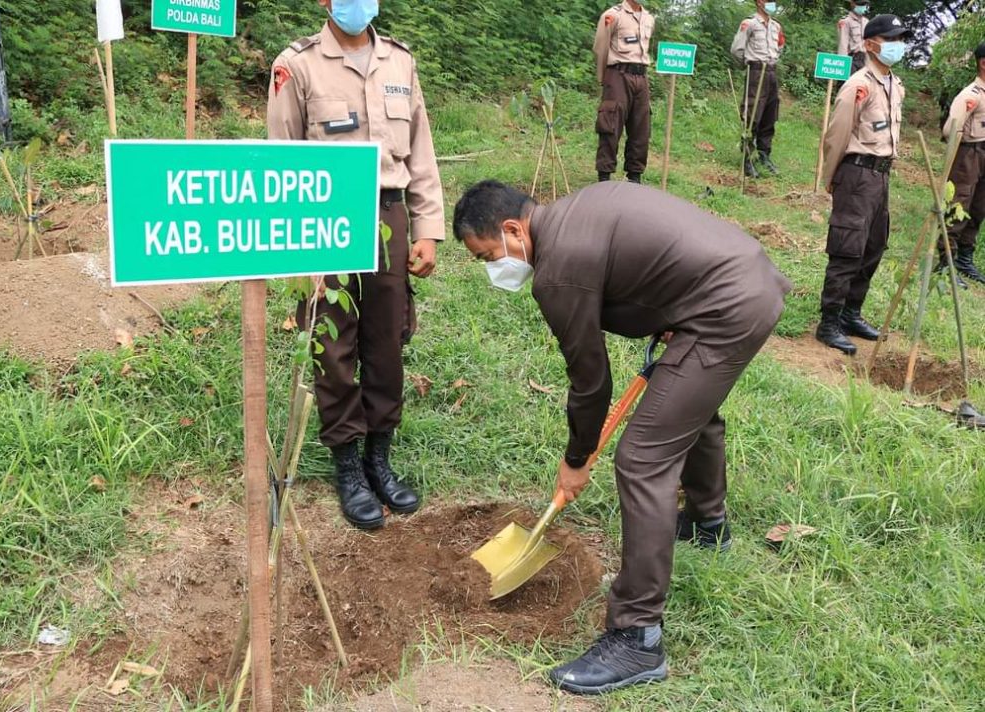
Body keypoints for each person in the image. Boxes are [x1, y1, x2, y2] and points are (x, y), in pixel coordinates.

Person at [453, 180, 790, 695]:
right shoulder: (576, 211)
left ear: (513, 229)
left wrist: (577, 457)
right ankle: (707, 523)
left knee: (642, 458)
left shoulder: (558, 273)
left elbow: (590, 380)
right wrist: (674, 311)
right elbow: (653, 264)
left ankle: (637, 637)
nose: (492, 267)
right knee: (687, 408)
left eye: (488, 255)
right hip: (744, 279)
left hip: (725, 307)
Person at [267, 0, 444, 529]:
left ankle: (379, 458)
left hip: (388, 215)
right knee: (332, 342)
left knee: (387, 340)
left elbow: (422, 153)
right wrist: (297, 242)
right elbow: (282, 157)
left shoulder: (399, 62)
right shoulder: (297, 64)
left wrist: (428, 229)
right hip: (324, 215)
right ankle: (347, 462)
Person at [816, 15, 908, 356]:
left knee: (873, 246)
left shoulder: (894, 85)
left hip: (881, 176)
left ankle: (852, 314)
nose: (898, 45)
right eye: (891, 39)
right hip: (856, 174)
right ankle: (829, 322)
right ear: (870, 44)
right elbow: (836, 135)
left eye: (900, 38)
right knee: (847, 248)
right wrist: (831, 178)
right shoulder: (859, 85)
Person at [592, 0, 655, 184]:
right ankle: (604, 175)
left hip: (641, 77)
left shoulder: (649, 18)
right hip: (618, 74)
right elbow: (600, 49)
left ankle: (634, 176)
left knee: (640, 127)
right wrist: (604, 78)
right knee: (610, 123)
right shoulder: (613, 15)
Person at [938, 41, 985, 286]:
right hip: (968, 154)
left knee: (979, 208)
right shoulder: (970, 95)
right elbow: (950, 129)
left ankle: (964, 260)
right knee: (959, 205)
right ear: (983, 63)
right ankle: (945, 262)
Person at [731, 0, 785, 178]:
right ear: (759, 2)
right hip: (756, 72)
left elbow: (780, 46)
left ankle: (764, 155)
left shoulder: (776, 26)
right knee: (752, 114)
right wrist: (750, 64)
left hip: (771, 72)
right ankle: (747, 158)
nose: (772, 3)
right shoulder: (750, 23)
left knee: (770, 114)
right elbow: (737, 49)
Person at [838, 1, 870, 75]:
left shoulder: (866, 21)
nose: (863, 6)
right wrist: (842, 65)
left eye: (864, 4)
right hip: (851, 60)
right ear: (853, 4)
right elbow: (843, 44)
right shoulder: (845, 21)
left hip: (864, 60)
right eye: (860, 4)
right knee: (848, 84)